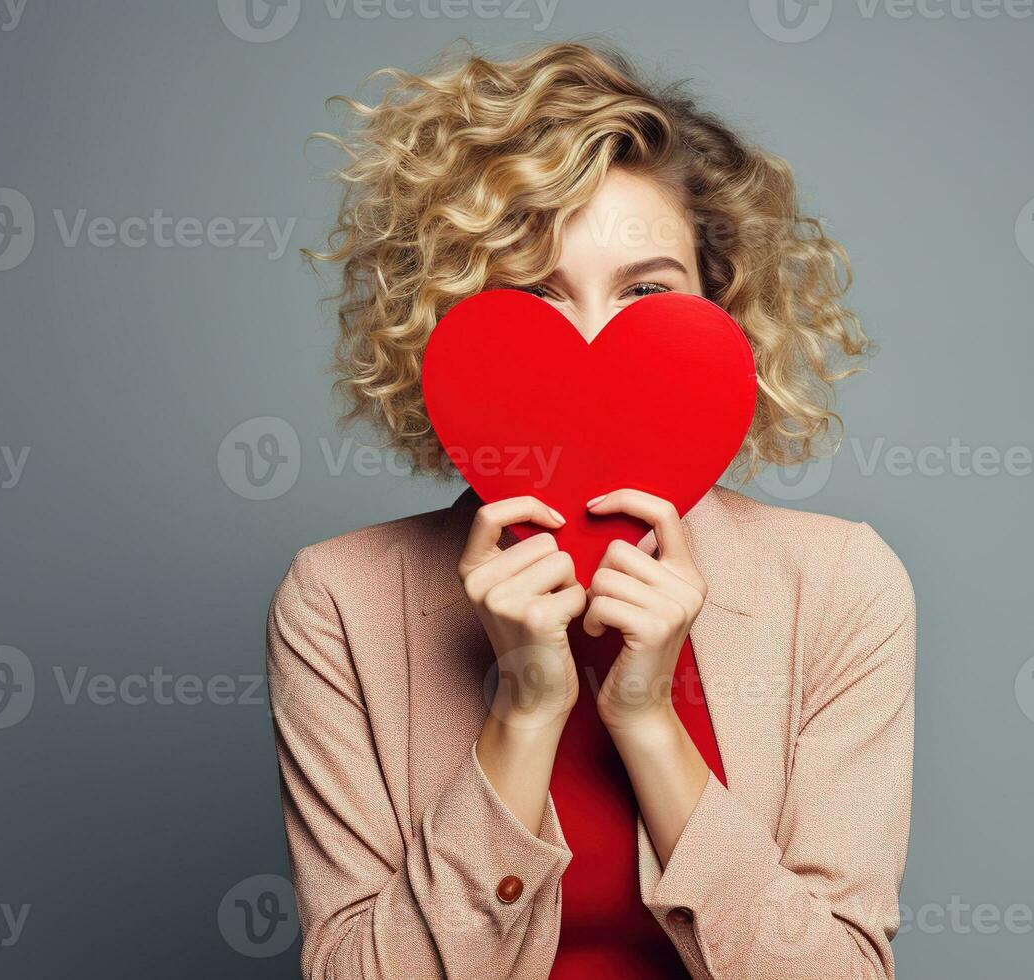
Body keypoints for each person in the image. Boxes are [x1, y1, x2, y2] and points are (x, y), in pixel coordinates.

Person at [267, 40, 916, 980]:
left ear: (722, 310)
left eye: (646, 292)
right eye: (537, 296)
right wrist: (525, 712)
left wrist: (648, 718)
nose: (594, 347)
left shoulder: (840, 586)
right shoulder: (339, 601)